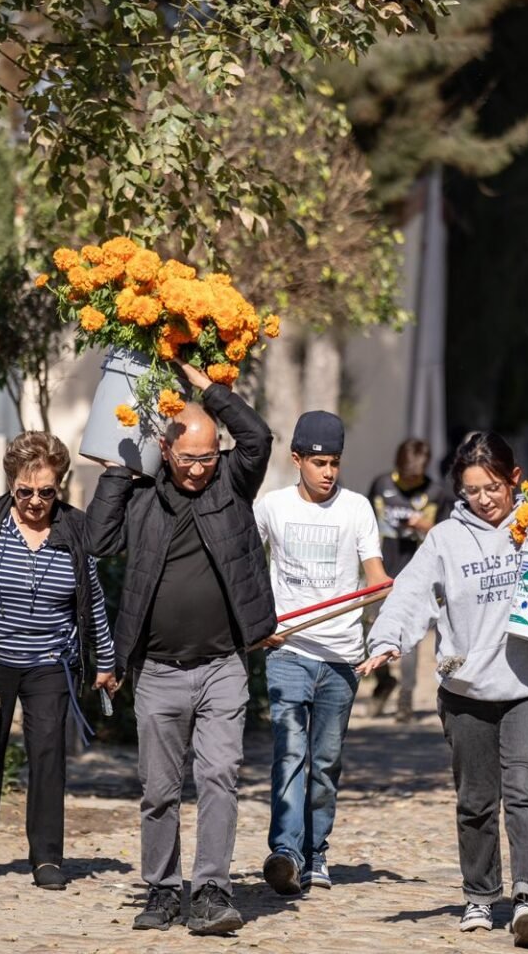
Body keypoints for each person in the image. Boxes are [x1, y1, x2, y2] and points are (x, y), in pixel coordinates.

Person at [358, 431, 528, 947]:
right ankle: (480, 895)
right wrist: (389, 641)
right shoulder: (444, 539)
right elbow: (411, 593)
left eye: (493, 487)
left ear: (515, 478)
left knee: (525, 791)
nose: (483, 499)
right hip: (466, 689)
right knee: (476, 801)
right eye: (472, 490)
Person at [87, 361, 276, 935]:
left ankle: (213, 889)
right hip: (159, 672)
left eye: (207, 456)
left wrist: (208, 392)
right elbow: (98, 539)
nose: (199, 469)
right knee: (160, 790)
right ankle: (164, 890)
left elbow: (259, 436)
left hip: (222, 665)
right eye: (188, 457)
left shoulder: (232, 485)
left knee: (220, 774)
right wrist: (119, 470)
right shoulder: (143, 500)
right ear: (165, 452)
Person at [0, 430, 118, 891]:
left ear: (60, 486)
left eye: (46, 492)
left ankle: (47, 858)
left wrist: (106, 662)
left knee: (48, 755)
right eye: (25, 491)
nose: (35, 501)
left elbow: (93, 601)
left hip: (50, 662)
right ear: (11, 484)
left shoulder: (75, 530)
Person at [255, 411, 387, 896]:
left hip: (341, 659)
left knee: (326, 762)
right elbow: (248, 569)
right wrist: (260, 623)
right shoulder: (271, 507)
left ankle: (316, 853)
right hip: (288, 650)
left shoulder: (357, 509)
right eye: (319, 462)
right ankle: (285, 852)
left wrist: (379, 593)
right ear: (297, 460)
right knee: (289, 754)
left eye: (334, 463)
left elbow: (375, 576)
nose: (328, 472)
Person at [366, 438, 446, 720]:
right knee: (369, 632)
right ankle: (384, 681)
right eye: (408, 473)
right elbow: (364, 523)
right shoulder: (381, 484)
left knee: (407, 640)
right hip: (380, 573)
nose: (412, 479)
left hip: (416, 575)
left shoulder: (436, 493)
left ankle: (405, 701)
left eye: (417, 474)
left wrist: (426, 526)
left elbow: (451, 535)